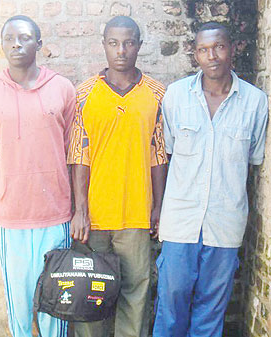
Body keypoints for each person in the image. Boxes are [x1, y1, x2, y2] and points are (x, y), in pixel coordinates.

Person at [153, 22, 268, 337]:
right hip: (180, 223)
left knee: (211, 310)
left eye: (218, 47)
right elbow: (169, 151)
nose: (212, 56)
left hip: (225, 224)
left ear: (233, 49)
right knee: (171, 304)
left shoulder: (256, 103)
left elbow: (254, 158)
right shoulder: (176, 96)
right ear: (195, 55)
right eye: (203, 50)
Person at [0, 15, 76, 337]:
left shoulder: (62, 88)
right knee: (17, 304)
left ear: (39, 44)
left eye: (25, 37)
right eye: (9, 39)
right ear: (2, 45)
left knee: (55, 302)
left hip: (56, 214)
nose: (16, 44)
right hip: (13, 216)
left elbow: (72, 151)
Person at [67, 15, 168, 337]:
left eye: (128, 42)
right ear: (104, 46)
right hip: (94, 217)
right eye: (113, 43)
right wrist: (80, 211)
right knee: (90, 294)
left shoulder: (157, 94)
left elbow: (159, 153)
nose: (121, 50)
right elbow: (78, 155)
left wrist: (158, 207)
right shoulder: (84, 94)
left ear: (139, 44)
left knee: (135, 293)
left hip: (136, 215)